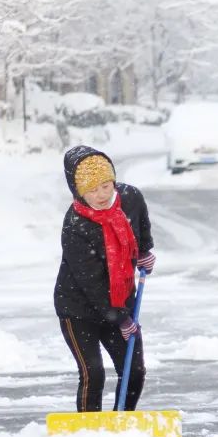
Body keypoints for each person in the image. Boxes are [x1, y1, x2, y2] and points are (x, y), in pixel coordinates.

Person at [54, 145, 156, 412]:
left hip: (120, 299)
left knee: (133, 371)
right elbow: (92, 284)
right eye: (91, 190)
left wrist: (145, 251)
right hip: (79, 308)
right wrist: (121, 319)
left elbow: (141, 225)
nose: (100, 195)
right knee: (93, 373)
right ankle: (90, 433)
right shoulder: (75, 225)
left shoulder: (130, 198)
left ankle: (121, 424)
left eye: (105, 186)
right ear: (78, 192)